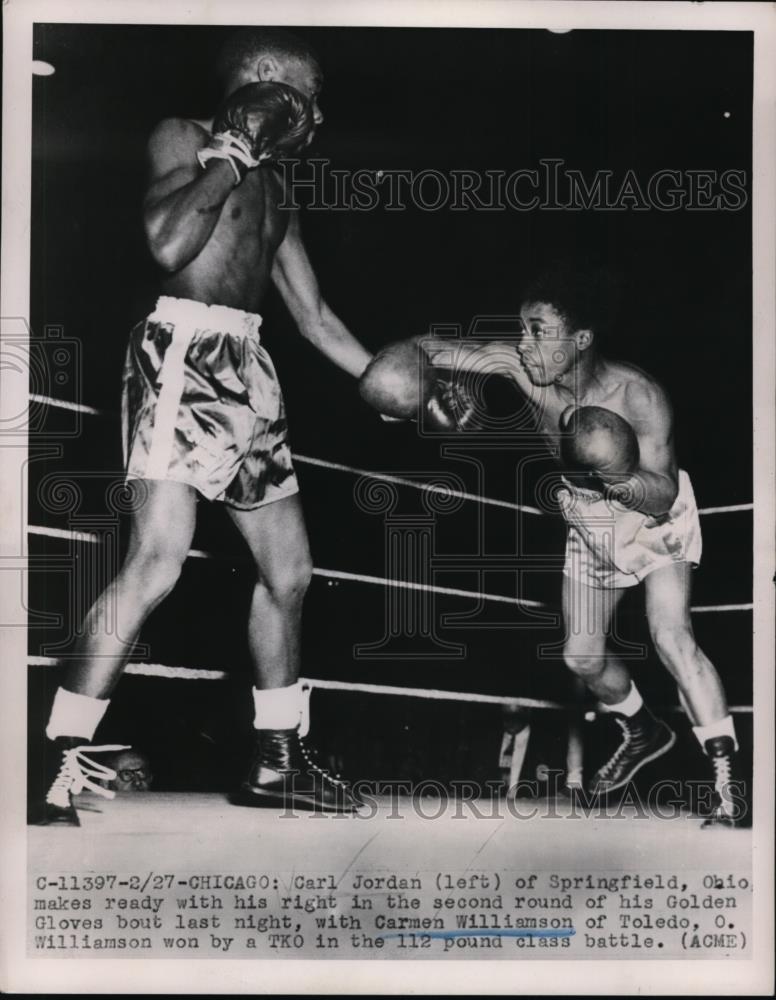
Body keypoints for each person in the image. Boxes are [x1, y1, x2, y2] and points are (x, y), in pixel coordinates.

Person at [32, 28, 376, 825]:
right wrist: (232, 152)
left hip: (250, 369)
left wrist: (399, 387)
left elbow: (316, 319)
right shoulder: (181, 137)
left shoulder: (280, 192)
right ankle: (48, 750)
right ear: (263, 80)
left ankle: (277, 758)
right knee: (157, 559)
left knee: (289, 571)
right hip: (183, 347)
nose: (317, 115)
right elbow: (167, 242)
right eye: (308, 93)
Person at [359, 264, 747, 827]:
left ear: (580, 339)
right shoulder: (522, 370)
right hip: (585, 518)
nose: (524, 342)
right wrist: (410, 387)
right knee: (581, 655)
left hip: (650, 518)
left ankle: (728, 786)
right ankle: (642, 729)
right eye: (522, 328)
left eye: (539, 330)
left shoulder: (639, 395)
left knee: (671, 636)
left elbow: (661, 495)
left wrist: (617, 477)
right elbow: (431, 346)